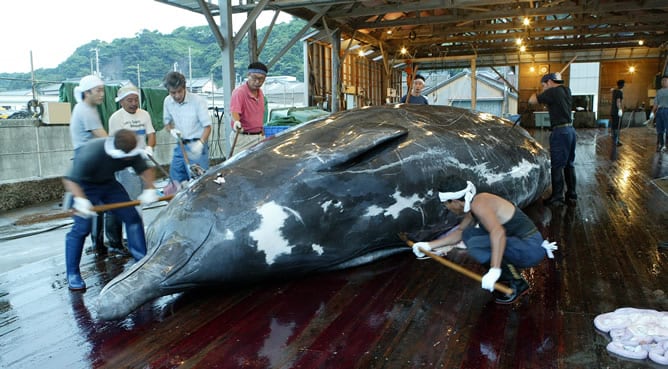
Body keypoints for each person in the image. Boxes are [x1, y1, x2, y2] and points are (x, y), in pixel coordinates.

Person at [411, 178, 557, 304]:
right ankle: (506, 275)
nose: (447, 208)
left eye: (446, 204)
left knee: (478, 243)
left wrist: (494, 269)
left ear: (454, 201)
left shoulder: (479, 204)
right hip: (521, 244)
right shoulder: (475, 204)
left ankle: (518, 283)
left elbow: (498, 233)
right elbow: (460, 233)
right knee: (468, 234)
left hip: (530, 249)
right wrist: (428, 245)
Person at [62, 129, 158, 290]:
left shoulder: (131, 150)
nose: (129, 159)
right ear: (116, 149)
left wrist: (150, 188)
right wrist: (80, 201)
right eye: (125, 157)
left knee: (132, 217)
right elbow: (70, 180)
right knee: (81, 228)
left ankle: (141, 261)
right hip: (83, 186)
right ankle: (72, 274)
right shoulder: (92, 152)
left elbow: (145, 169)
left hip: (108, 184)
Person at [69, 75, 122, 252]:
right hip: (88, 163)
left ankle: (100, 244)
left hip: (92, 160)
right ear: (87, 92)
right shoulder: (85, 110)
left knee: (98, 206)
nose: (102, 94)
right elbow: (104, 138)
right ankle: (103, 244)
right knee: (99, 206)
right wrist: (129, 152)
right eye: (98, 90)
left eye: (102, 90)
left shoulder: (87, 108)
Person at [107, 84, 157, 250]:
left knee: (141, 198)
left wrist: (149, 148)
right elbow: (114, 144)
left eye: (136, 99)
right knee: (131, 200)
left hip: (142, 160)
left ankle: (137, 233)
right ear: (121, 101)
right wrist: (126, 162)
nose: (134, 103)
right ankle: (131, 237)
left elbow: (151, 134)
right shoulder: (116, 118)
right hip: (126, 163)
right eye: (129, 100)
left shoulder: (144, 115)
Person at [529, 72, 577, 206]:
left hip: (560, 132)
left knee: (556, 166)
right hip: (570, 131)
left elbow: (532, 101)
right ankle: (571, 194)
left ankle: (557, 197)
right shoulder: (566, 90)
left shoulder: (552, 92)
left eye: (544, 85)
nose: (544, 88)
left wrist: (535, 93)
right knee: (569, 165)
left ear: (550, 82)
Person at [162, 71, 212, 184]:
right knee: (175, 180)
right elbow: (167, 123)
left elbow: (208, 127)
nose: (177, 96)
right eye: (173, 93)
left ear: (184, 88)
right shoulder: (167, 102)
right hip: (180, 145)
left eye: (179, 91)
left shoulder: (198, 101)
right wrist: (171, 130)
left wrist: (200, 143)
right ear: (168, 91)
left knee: (199, 181)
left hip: (197, 146)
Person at [230, 62, 268, 153]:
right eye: (254, 78)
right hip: (243, 138)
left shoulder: (261, 93)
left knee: (258, 165)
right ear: (248, 75)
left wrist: (262, 131)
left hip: (259, 136)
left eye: (261, 79)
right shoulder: (239, 92)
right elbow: (234, 111)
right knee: (240, 166)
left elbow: (260, 115)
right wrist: (236, 121)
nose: (257, 82)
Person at [650, 75, 668, 152]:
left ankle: (667, 146)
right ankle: (661, 145)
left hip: (667, 110)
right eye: (662, 81)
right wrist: (652, 112)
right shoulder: (659, 91)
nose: (663, 82)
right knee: (659, 129)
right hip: (659, 111)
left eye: (665, 80)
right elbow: (656, 103)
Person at [610, 79, 625, 146]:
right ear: (622, 85)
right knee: (617, 127)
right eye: (623, 84)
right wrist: (620, 109)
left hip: (612, 111)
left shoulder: (614, 91)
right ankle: (616, 141)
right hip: (616, 112)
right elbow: (618, 101)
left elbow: (612, 90)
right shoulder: (619, 92)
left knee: (613, 126)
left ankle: (613, 140)